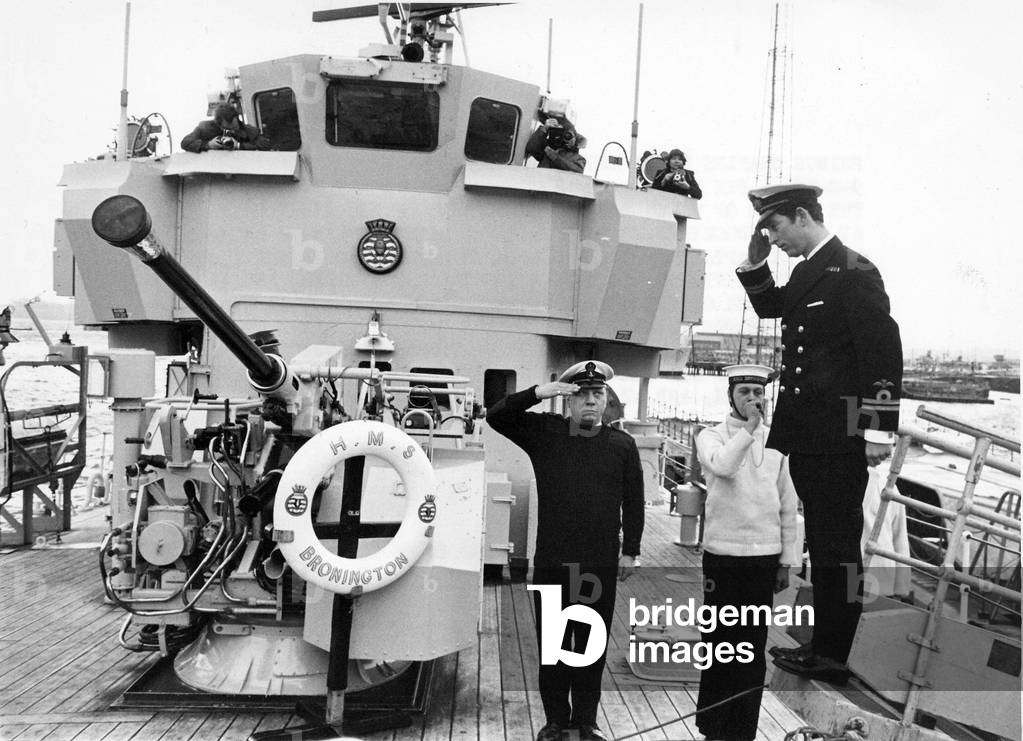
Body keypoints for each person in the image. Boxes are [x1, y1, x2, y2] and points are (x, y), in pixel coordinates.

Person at [735, 183, 903, 682]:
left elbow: (882, 351)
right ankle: (824, 646)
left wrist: (876, 430)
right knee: (825, 543)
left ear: (803, 215)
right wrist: (754, 261)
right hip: (809, 435)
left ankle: (833, 654)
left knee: (835, 546)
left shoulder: (854, 270)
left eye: (777, 229)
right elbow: (772, 308)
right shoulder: (812, 271)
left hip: (837, 435)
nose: (776, 240)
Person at [487, 361, 644, 741]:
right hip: (555, 561)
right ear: (570, 401)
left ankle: (585, 723)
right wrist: (541, 392)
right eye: (583, 394)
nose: (591, 401)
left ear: (606, 401)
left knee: (590, 648)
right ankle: (556, 721)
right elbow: (497, 416)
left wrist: (632, 551)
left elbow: (634, 501)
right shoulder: (546, 433)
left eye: (598, 394)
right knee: (555, 647)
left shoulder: (622, 444)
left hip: (599, 563)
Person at [694, 364, 799, 741]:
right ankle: (712, 726)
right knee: (720, 643)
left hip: (764, 559)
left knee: (751, 647)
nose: (754, 400)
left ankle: (741, 732)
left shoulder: (778, 443)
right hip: (722, 557)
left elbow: (789, 505)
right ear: (730, 396)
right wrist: (750, 431)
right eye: (746, 393)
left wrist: (788, 561)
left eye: (759, 393)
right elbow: (723, 466)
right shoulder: (710, 436)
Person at [180, 103, 271, 153]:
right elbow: (185, 142)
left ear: (236, 117)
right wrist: (208, 145)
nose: (231, 130)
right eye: (227, 128)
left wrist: (239, 145)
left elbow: (266, 145)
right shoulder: (206, 128)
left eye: (233, 126)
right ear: (219, 125)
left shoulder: (249, 130)